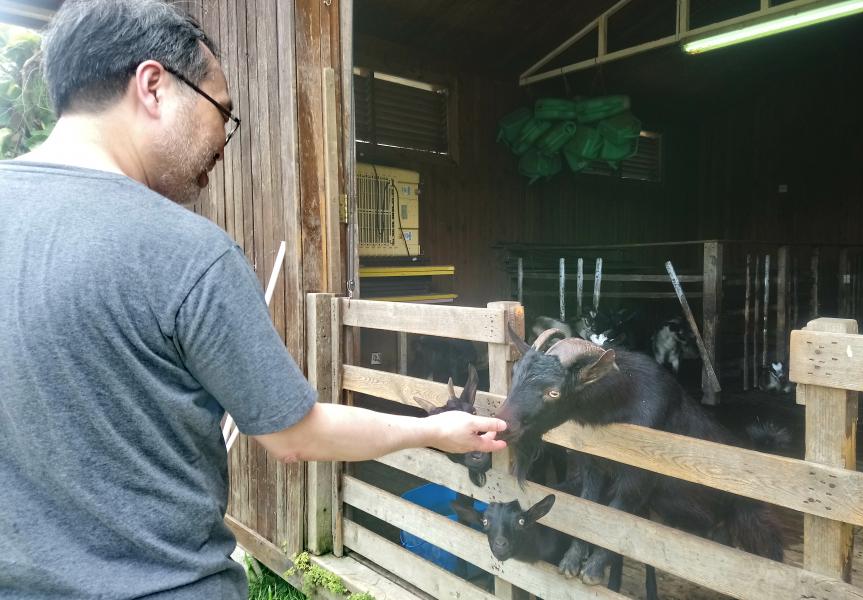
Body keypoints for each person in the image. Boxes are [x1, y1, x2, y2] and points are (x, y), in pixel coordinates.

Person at [0, 2, 506, 598]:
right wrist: (433, 431)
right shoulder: (186, 253)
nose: (223, 140)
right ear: (154, 85)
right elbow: (296, 436)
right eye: (222, 111)